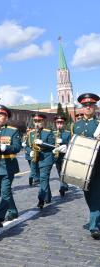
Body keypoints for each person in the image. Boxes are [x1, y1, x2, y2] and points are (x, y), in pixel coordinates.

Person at [72, 93, 100, 240]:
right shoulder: (76, 125)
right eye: (85, 105)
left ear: (95, 107)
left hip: (97, 165)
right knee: (88, 194)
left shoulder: (99, 124)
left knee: (96, 194)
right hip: (82, 168)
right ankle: (96, 216)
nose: (88, 107)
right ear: (82, 108)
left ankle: (94, 225)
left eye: (91, 105)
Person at [0, 105, 22, 227]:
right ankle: (13, 211)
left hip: (8, 166)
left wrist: (6, 147)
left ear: (6, 118)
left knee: (5, 192)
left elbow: (17, 147)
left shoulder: (13, 131)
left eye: (0, 116)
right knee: (6, 192)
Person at [27, 113, 55, 209]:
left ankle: (41, 199)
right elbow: (26, 146)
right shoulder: (30, 133)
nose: (37, 123)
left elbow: (53, 146)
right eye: (35, 121)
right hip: (35, 159)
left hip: (46, 159)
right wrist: (29, 151)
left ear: (43, 122)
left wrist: (43, 143)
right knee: (41, 179)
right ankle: (48, 196)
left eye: (39, 121)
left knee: (43, 178)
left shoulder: (48, 132)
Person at [52, 115, 71, 197]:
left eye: (61, 123)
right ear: (55, 123)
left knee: (64, 171)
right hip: (56, 156)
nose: (59, 124)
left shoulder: (68, 133)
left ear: (64, 123)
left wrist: (63, 141)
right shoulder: (52, 133)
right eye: (58, 123)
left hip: (65, 156)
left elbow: (71, 143)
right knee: (60, 171)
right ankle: (64, 185)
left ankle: (63, 186)